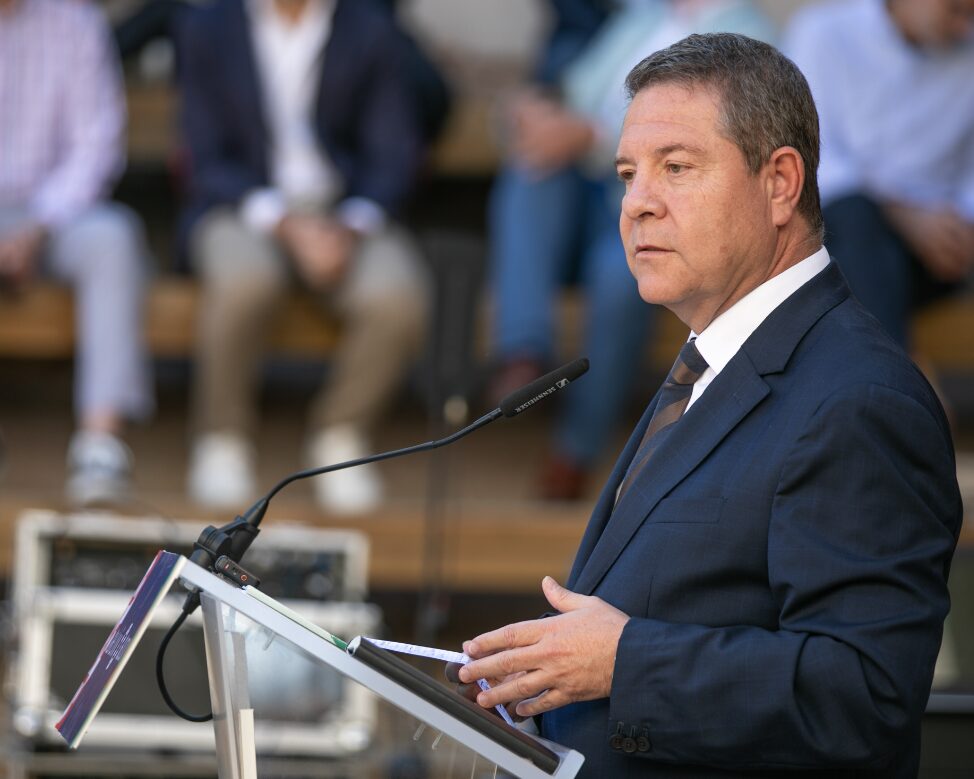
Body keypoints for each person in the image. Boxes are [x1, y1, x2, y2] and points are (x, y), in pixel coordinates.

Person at [453, 33, 962, 777]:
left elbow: (864, 692)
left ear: (780, 182)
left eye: (677, 168)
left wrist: (625, 661)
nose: (637, 205)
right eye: (627, 174)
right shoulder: (707, 366)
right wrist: (539, 695)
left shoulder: (860, 398)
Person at [488, 0, 772, 500]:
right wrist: (537, 113)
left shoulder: (749, 37)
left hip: (665, 196)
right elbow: (578, 90)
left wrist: (588, 134)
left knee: (619, 276)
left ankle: (575, 450)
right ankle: (525, 351)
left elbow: (705, 143)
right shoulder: (641, 17)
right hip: (592, 187)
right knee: (528, 177)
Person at [176, 0, 431, 514]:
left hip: (344, 209)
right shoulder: (208, 25)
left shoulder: (369, 29)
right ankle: (221, 438)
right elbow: (203, 155)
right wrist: (287, 226)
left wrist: (351, 225)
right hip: (241, 204)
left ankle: (341, 434)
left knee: (398, 295)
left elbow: (392, 152)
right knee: (245, 281)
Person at [0, 0, 154, 506]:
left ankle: (99, 443)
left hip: (58, 214)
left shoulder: (77, 22)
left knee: (114, 238)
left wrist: (37, 226)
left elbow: (97, 146)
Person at [784, 0, 974, 349]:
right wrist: (905, 214)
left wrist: (963, 219)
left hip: (939, 247)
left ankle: (897, 384)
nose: (965, 27)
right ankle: (904, 381)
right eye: (956, 10)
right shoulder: (825, 33)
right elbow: (810, 158)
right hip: (845, 231)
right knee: (854, 223)